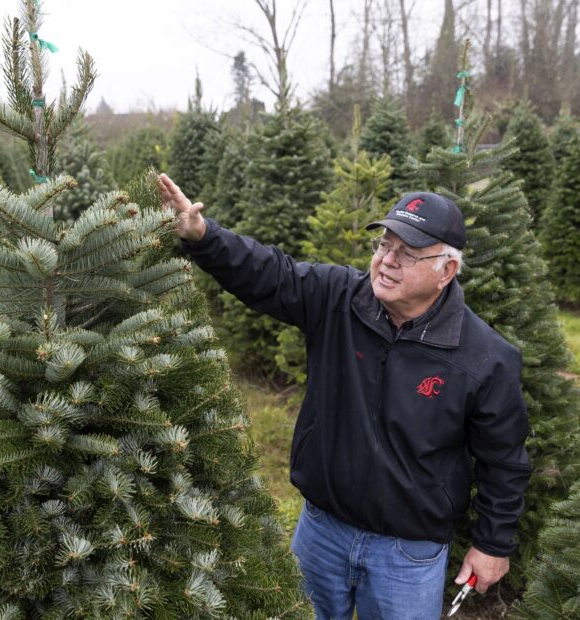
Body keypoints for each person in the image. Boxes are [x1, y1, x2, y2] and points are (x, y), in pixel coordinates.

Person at [158, 173, 531, 620]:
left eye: (407, 253)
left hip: (407, 553)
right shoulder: (340, 299)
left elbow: (504, 461)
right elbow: (269, 273)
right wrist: (202, 235)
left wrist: (493, 544)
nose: (387, 261)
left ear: (446, 270)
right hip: (321, 531)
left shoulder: (484, 358)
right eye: (384, 246)